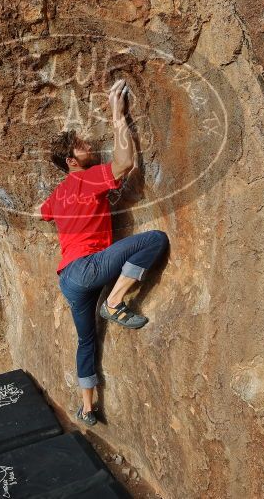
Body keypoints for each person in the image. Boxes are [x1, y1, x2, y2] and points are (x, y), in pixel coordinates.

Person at [40, 79, 169, 426]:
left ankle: (86, 407)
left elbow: (43, 212)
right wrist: (117, 114)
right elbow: (125, 162)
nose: (89, 147)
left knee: (86, 341)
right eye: (82, 147)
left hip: (68, 279)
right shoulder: (86, 179)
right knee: (154, 239)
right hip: (88, 268)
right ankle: (114, 303)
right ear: (71, 160)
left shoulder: (58, 194)